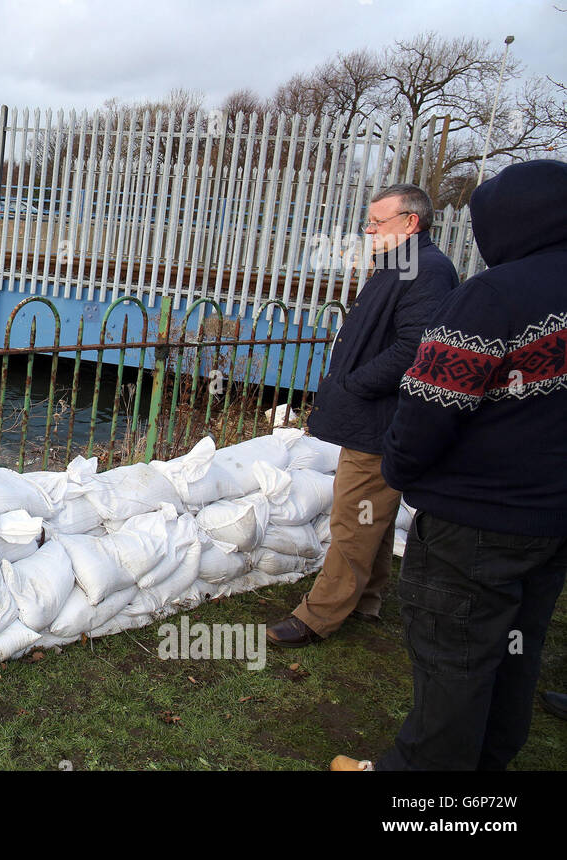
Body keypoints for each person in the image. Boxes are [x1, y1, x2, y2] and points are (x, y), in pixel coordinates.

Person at [333, 159, 567, 771]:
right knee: (518, 646)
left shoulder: (492, 295)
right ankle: (488, 761)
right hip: (551, 514)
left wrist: (405, 471)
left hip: (477, 519)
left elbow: (432, 402)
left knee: (454, 654)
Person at [267, 184, 459, 647]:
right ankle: (368, 597)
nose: (368, 229)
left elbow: (414, 349)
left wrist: (354, 384)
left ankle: (318, 616)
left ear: (411, 222)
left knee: (353, 517)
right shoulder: (403, 265)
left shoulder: (426, 272)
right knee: (368, 515)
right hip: (375, 416)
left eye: (378, 221)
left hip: (381, 420)